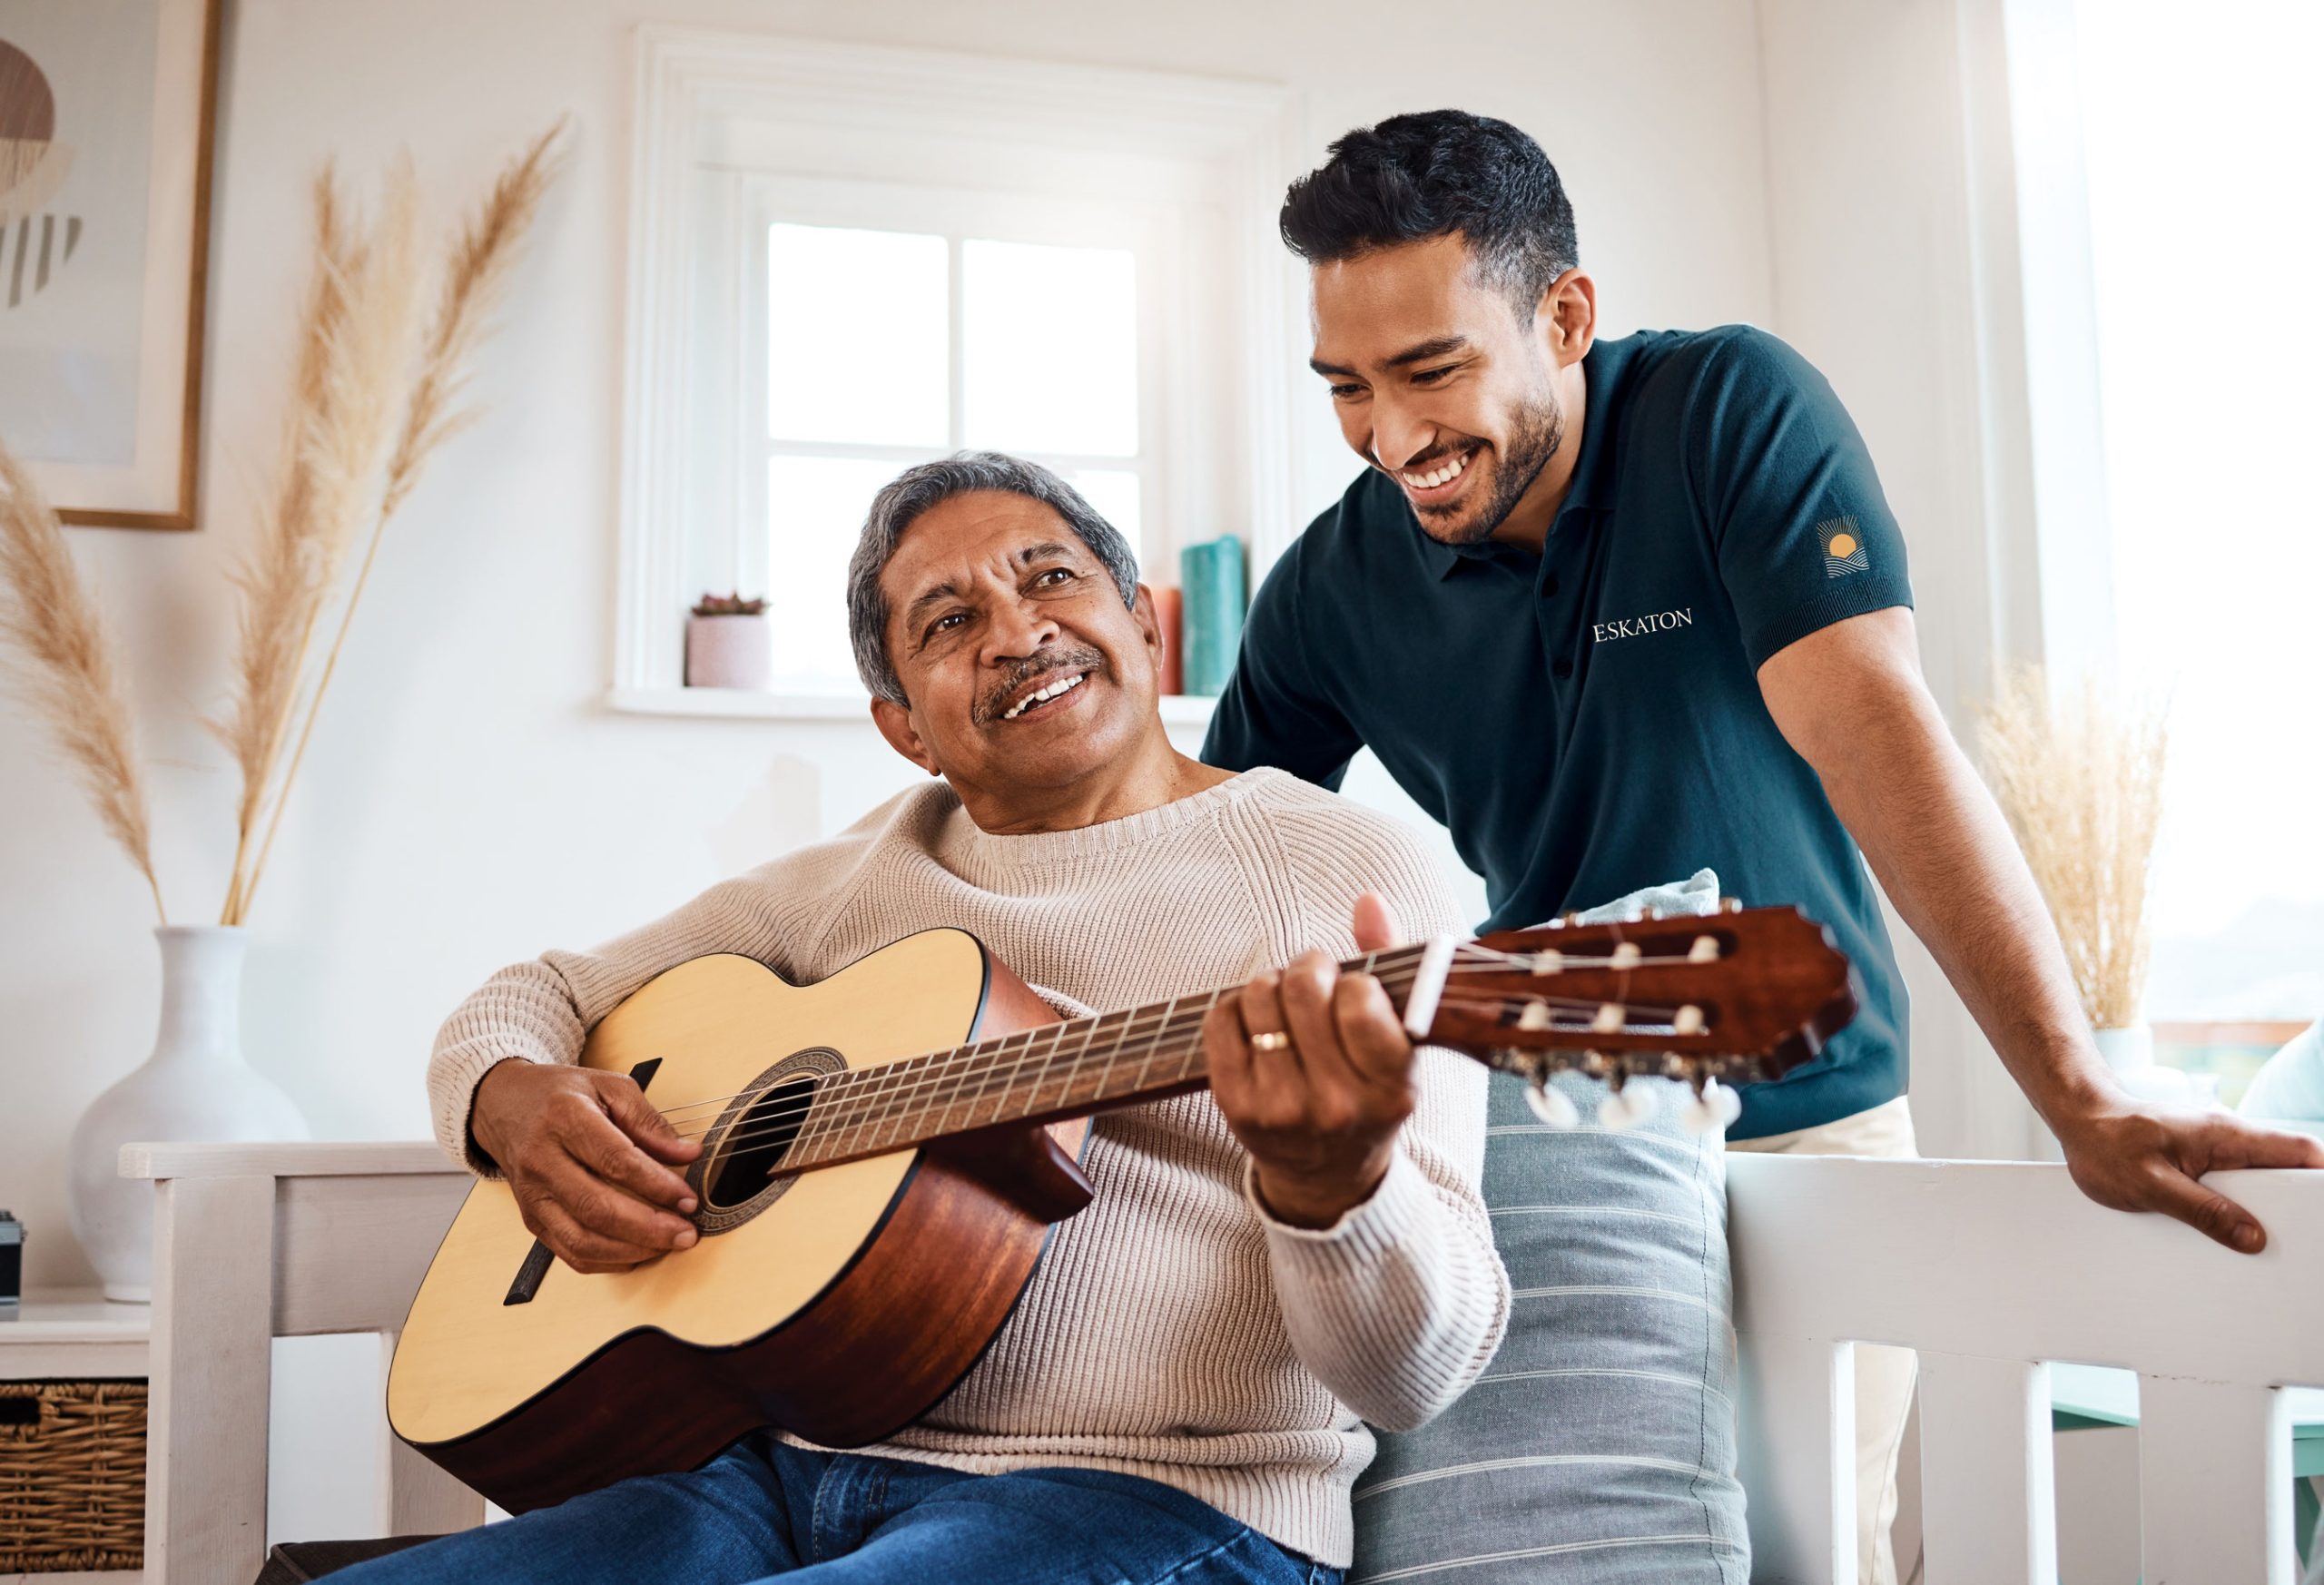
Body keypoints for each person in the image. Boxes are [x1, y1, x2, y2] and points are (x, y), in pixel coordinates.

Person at [1202, 110, 2324, 1585]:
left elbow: (1874, 731)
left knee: (1823, 1555)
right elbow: (1205, 847)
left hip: (1810, 1119)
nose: (1390, 435)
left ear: (1567, 315)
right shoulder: (1335, 581)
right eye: (1345, 387)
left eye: (1431, 371)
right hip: (1553, 1150)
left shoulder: (1725, 410)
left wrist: (2074, 1091)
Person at [347, 454, 1510, 1585]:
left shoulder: (1348, 874)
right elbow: (530, 995)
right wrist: (509, 1097)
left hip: (1156, 1503)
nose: (1016, 632)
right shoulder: (857, 874)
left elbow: (1419, 1374)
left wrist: (1334, 1185)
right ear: (904, 724)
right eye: (948, 622)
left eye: (1051, 578)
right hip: (771, 1479)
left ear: (1143, 625)